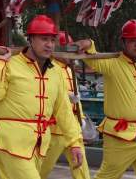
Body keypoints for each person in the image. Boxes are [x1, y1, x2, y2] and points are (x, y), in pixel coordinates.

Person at [0, 15, 83, 179]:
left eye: (52, 40)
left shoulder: (56, 71)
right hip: (12, 142)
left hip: (40, 144)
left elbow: (64, 111)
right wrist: (0, 63)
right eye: (44, 39)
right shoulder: (10, 64)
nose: (49, 45)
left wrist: (74, 143)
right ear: (30, 39)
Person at [77, 19, 136, 179]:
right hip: (120, 136)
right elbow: (90, 57)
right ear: (123, 42)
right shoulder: (112, 64)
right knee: (107, 177)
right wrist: (89, 44)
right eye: (132, 41)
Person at [39, 31, 90, 179]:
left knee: (82, 173)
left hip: (73, 129)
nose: (71, 54)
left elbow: (76, 100)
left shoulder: (69, 68)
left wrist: (81, 118)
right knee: (40, 171)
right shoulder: (48, 68)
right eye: (68, 50)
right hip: (54, 130)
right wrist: (67, 97)